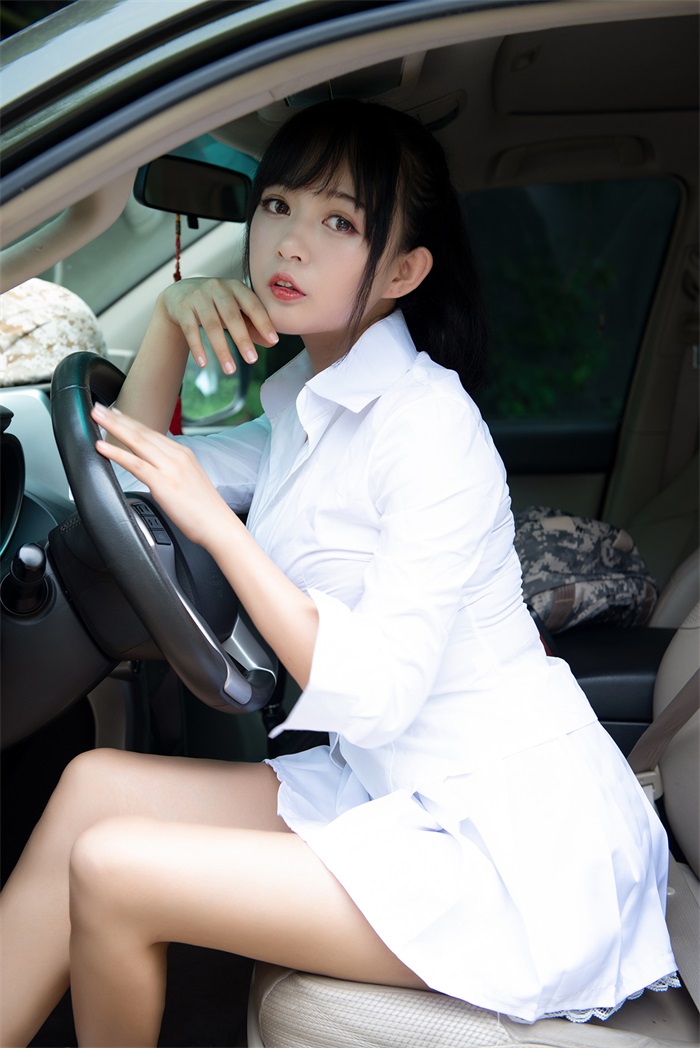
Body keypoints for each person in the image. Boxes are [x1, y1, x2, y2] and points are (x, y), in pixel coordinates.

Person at [0, 99, 678, 1047]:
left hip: (509, 848)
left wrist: (221, 531)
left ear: (403, 272)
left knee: (115, 869)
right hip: (392, 792)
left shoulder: (428, 425)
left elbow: (381, 694)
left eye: (340, 222)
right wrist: (167, 326)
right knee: (91, 787)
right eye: (277, 205)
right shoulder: (307, 406)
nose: (290, 242)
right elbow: (132, 484)